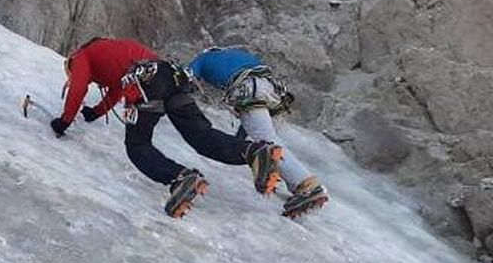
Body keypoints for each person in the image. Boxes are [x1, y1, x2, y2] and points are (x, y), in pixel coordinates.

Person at [51, 37, 285, 218]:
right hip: (170, 76)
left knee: (137, 145)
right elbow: (115, 91)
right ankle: (254, 151)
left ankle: (180, 178)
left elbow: (78, 87)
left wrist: (63, 122)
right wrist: (94, 113)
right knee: (201, 136)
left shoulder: (81, 56)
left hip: (145, 82)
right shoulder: (111, 50)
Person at [187, 46, 328, 217]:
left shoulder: (203, 59)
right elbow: (248, 128)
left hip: (248, 89)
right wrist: (239, 144)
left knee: (267, 142)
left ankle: (306, 185)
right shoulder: (240, 55)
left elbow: (184, 77)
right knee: (266, 139)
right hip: (271, 90)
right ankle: (294, 184)